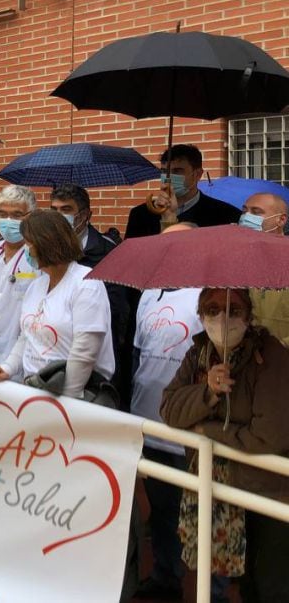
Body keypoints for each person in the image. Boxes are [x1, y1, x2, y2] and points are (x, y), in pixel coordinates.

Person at [161, 288, 289, 602]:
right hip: (220, 489)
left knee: (269, 586)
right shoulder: (199, 353)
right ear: (201, 314)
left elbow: (268, 436)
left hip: (267, 492)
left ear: (248, 315)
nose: (222, 318)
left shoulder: (270, 356)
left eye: (233, 309)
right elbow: (169, 409)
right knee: (229, 583)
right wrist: (208, 391)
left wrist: (208, 429)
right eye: (212, 308)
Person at [128, 223, 203, 601]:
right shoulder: (149, 293)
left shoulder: (205, 294)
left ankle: (212, 590)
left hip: (187, 427)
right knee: (159, 509)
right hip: (148, 418)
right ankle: (165, 577)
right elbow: (139, 352)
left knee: (197, 515)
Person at [0, 210, 115, 396]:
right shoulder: (37, 285)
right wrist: (7, 367)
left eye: (28, 244)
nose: (25, 250)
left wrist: (68, 398)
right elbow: (27, 336)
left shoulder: (86, 283)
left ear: (46, 244)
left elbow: (84, 351)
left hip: (72, 397)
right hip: (37, 391)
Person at [50, 183, 133, 404]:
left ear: (85, 214)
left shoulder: (108, 252)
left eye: (66, 210)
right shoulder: (47, 253)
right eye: (54, 210)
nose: (59, 216)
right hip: (55, 355)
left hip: (97, 362)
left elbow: (118, 314)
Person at [0, 186, 39, 379]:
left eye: (17, 215)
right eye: (2, 214)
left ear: (30, 216)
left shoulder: (37, 258)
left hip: (23, 365)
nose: (9, 221)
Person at [125, 144, 239, 238]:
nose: (169, 177)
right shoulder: (140, 215)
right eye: (164, 171)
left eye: (177, 171)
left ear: (197, 174)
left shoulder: (225, 215)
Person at [240, 192, 289, 347]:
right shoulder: (238, 262)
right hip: (246, 362)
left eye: (256, 212)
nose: (246, 217)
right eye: (244, 211)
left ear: (281, 220)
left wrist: (275, 349)